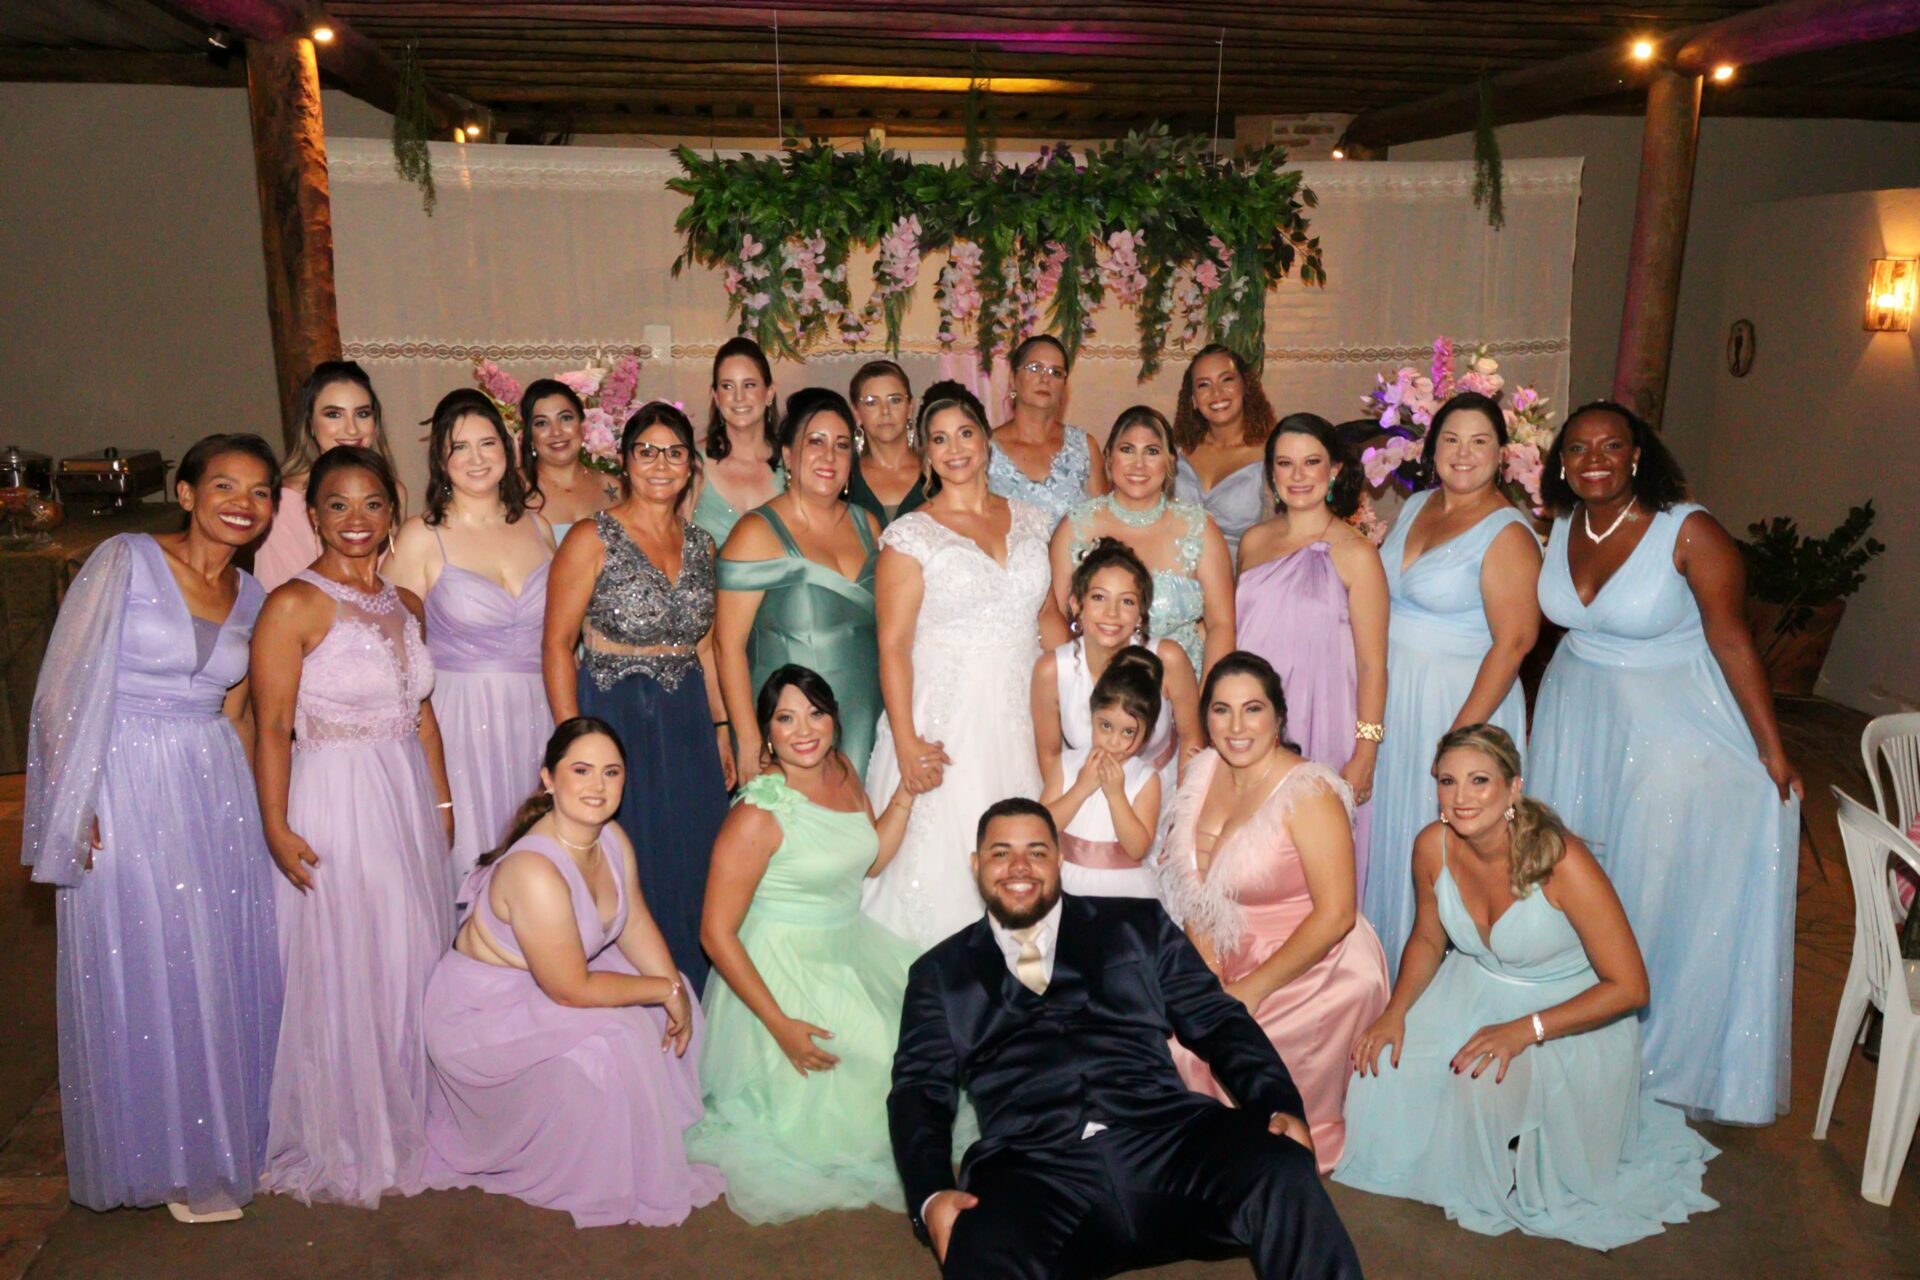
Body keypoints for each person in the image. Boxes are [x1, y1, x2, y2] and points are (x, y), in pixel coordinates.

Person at [889, 799, 1364, 1280]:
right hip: (1033, 1172)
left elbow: (1218, 1020)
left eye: (1036, 852)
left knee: (1281, 1167)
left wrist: (1277, 1103)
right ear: (976, 864)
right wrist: (931, 1195)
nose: (1019, 867)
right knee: (977, 1249)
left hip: (1167, 1140)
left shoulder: (1137, 925)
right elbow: (919, 1089)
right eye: (1000, 853)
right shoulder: (938, 974)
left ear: (1059, 860)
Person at [23, 434, 283, 1221]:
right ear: (187, 492)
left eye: (260, 491)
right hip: (124, 776)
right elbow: (60, 689)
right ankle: (166, 1159)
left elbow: (239, 714)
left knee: (213, 960)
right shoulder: (126, 560)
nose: (243, 503)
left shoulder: (254, 597)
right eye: (225, 486)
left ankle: (217, 1141)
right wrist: (74, 800)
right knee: (144, 955)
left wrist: (259, 816)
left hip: (213, 784)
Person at [1335, 725, 1718, 1249]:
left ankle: (1531, 1142)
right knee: (1379, 1071)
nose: (1461, 797)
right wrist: (1394, 1012)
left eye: (1479, 781)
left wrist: (1525, 1030)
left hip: (1565, 1014)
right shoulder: (1431, 846)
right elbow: (1427, 937)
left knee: (1480, 1084)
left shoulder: (1562, 861)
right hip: (1473, 986)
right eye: (1448, 781)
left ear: (1513, 787)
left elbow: (1631, 988)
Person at [1527, 401, 1802, 1125]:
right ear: (1560, 462)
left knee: (1651, 887)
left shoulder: (1690, 531)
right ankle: (1574, 1033)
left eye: (1611, 445)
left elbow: (1734, 641)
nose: (1594, 459)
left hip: (1671, 732)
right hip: (1576, 719)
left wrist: (1771, 751)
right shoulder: (1563, 524)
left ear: (1638, 455)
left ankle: (1648, 1055)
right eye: (1577, 447)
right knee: (1575, 879)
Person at [251, 445, 455, 1207]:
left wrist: (442, 805)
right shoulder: (292, 604)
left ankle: (409, 1110)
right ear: (313, 516)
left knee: (408, 951)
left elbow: (423, 715)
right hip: (336, 797)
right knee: (351, 959)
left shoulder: (405, 602)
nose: (356, 519)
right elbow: (272, 726)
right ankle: (349, 1129)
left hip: (404, 797)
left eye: (372, 503)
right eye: (337, 504)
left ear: (392, 511)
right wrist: (276, 824)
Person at [423, 717, 721, 1227]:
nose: (597, 786)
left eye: (611, 772)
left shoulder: (610, 838)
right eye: (581, 770)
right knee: (618, 1034)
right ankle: (601, 1162)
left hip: (551, 981)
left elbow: (634, 919)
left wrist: (671, 986)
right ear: (548, 778)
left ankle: (649, 1134)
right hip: (483, 1016)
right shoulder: (533, 871)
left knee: (676, 994)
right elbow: (570, 989)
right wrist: (658, 989)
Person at [691, 667, 922, 1223]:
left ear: (834, 718)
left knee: (917, 1042)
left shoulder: (843, 770)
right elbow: (714, 934)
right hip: (781, 964)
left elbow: (868, 860)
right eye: (786, 718)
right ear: (767, 733)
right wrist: (779, 1025)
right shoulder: (758, 812)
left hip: (849, 944)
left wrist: (906, 795)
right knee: (877, 1065)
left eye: (815, 713)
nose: (804, 730)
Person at [1158, 652, 1389, 1171]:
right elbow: (1195, 890)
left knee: (1234, 1051)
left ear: (1279, 717)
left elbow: (1337, 914)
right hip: (1225, 950)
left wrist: (1251, 989)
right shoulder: (1202, 771)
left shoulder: (1310, 791)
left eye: (1253, 709)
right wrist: (1207, 975)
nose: (1236, 727)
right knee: (1175, 1038)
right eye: (1221, 710)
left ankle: (1283, 1150)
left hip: (1314, 965)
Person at [862, 383, 1063, 951]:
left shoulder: (1031, 519)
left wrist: (1085, 690)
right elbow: (892, 645)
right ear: (925, 453)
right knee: (943, 856)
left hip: (1020, 714)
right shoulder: (911, 536)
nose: (955, 449)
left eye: (966, 434)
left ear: (986, 441)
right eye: (939, 439)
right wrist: (906, 740)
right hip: (944, 721)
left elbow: (1047, 618)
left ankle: (1022, 973)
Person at [544, 401, 733, 995]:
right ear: (624, 461)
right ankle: (640, 1000)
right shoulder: (591, 537)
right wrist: (573, 747)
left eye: (674, 452)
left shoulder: (702, 546)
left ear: (690, 466)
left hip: (687, 721)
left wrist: (722, 728)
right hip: (614, 715)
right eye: (646, 451)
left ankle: (698, 999)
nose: (660, 464)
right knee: (630, 858)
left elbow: (706, 648)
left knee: (698, 857)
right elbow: (556, 646)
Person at [1367, 391, 1540, 982]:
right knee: (1397, 835)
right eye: (1451, 439)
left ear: (1502, 454)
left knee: (1452, 844)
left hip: (1461, 704)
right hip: (1400, 699)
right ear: (1432, 448)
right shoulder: (1418, 506)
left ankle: (1445, 988)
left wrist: (1460, 741)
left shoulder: (1508, 532)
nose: (1463, 453)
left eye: (1480, 441)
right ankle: (1387, 975)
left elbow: (1514, 643)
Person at [386, 389, 555, 888]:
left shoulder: (540, 527)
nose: (476, 458)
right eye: (460, 447)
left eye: (487, 443)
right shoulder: (421, 536)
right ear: (441, 459)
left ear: (507, 448)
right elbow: (389, 647)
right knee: (471, 859)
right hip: (459, 719)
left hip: (538, 712)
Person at [1235, 414, 1388, 894]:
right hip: (1252, 723)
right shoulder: (1254, 542)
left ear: (1335, 470)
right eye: (1285, 464)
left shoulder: (1357, 554)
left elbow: (1373, 664)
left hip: (1323, 721)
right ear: (1271, 474)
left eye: (1311, 462)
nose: (1298, 475)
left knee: (1316, 870)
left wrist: (1365, 751)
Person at [715, 388, 881, 785]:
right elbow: (727, 645)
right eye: (816, 442)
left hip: (866, 714)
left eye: (842, 445)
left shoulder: (869, 525)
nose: (829, 456)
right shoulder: (756, 532)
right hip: (791, 729)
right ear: (788, 455)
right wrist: (749, 739)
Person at [1052, 405, 1234, 678]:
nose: (1139, 464)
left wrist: (1208, 697)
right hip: (1097, 688)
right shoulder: (1075, 527)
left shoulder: (1200, 529)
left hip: (1183, 690)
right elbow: (1054, 618)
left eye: (1152, 451)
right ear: (1108, 457)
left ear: (1170, 461)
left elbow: (1221, 625)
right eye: (1127, 450)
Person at [1033, 538, 1201, 804]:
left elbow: (1192, 737)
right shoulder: (1051, 671)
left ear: (1141, 614)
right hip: (1086, 797)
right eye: (1099, 597)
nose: (1111, 613)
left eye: (1127, 602)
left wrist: (1182, 814)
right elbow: (1049, 757)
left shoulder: (1167, 659)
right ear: (1076, 604)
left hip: (1163, 796)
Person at [254, 360, 403, 591]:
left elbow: (395, 583)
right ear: (310, 424)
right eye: (334, 414)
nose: (352, 429)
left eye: (362, 413)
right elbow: (280, 597)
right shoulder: (283, 501)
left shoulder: (395, 491)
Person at [1041, 648, 1165, 900]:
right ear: (1092, 715)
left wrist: (1116, 795)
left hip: (1121, 893)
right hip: (1065, 883)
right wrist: (1080, 789)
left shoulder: (1145, 778)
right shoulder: (1066, 764)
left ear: (1147, 734)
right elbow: (1041, 828)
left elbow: (1137, 849)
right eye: (1106, 726)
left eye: (1128, 732)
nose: (1114, 741)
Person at [986, 333, 1107, 527]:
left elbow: (1104, 525)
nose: (1045, 379)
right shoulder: (986, 448)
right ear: (1013, 379)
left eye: (1056, 372)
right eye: (1035, 368)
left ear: (1064, 387)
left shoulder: (1085, 447)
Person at [1173, 344, 1278, 558]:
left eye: (1226, 380)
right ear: (1193, 399)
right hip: (1172, 570)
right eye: (1204, 384)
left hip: (1243, 572)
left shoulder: (1273, 455)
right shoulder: (1176, 451)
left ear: (1245, 386)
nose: (1217, 392)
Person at [692, 336, 786, 546]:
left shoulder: (792, 464)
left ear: (769, 393)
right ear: (716, 397)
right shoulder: (694, 464)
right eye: (727, 386)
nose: (738, 397)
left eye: (749, 385)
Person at [520, 378, 618, 544]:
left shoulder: (612, 487)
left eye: (565, 418)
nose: (556, 432)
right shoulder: (513, 489)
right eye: (542, 423)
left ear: (582, 423)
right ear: (529, 433)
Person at [847, 359, 928, 527]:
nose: (885, 411)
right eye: (872, 402)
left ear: (910, 408)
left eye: (895, 400)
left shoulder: (936, 474)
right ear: (857, 413)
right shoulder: (844, 477)